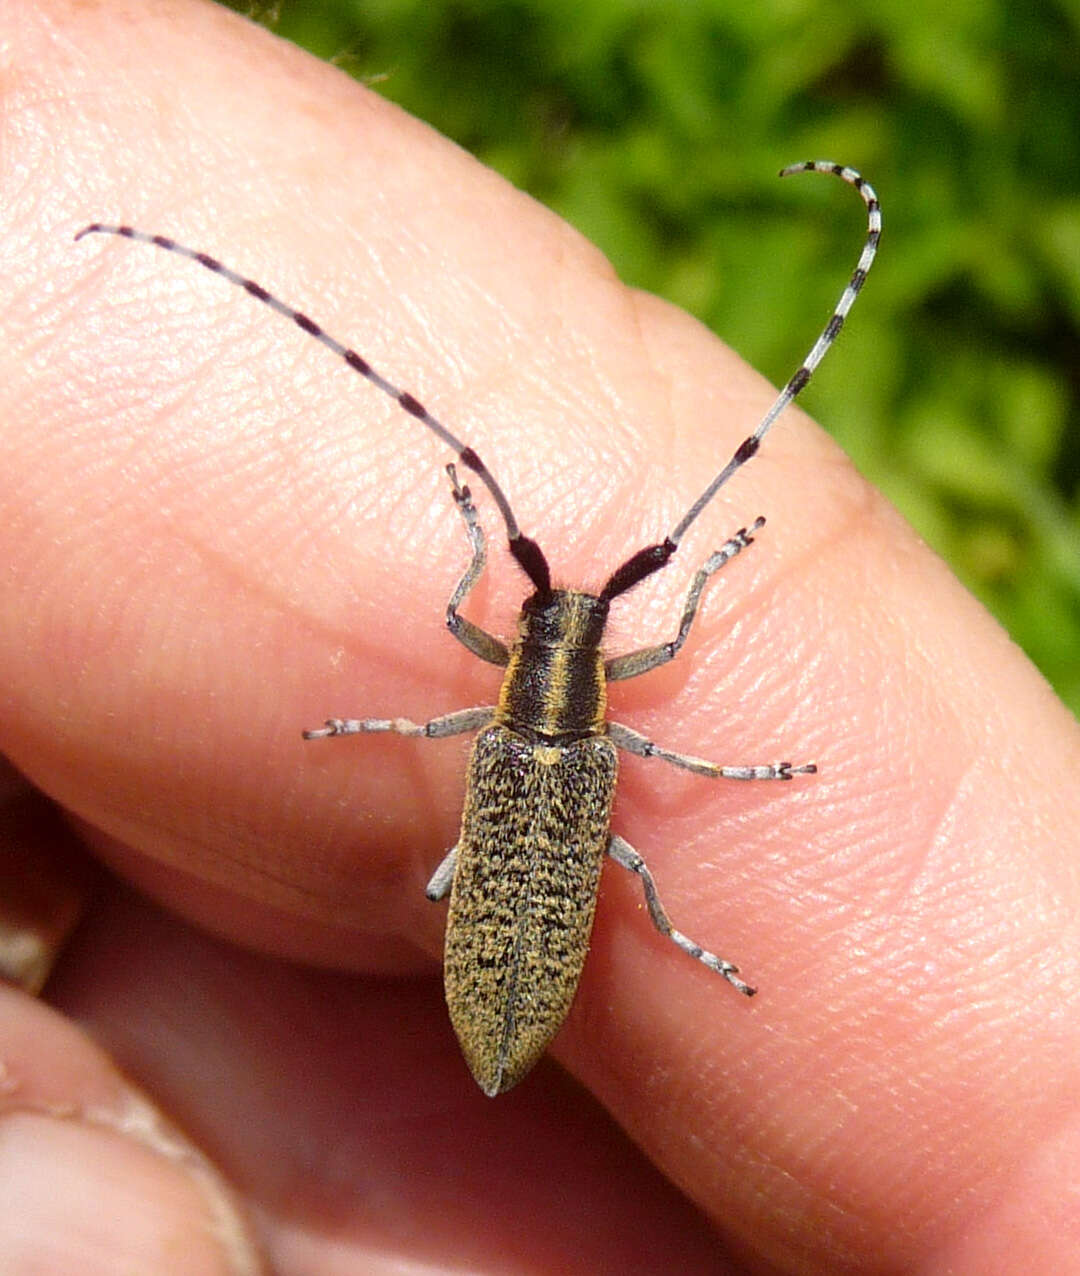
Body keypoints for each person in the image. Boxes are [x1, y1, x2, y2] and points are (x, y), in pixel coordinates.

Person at [2, 3, 1078, 1271]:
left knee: (586, 874)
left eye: (536, 608)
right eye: (533, 606)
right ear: (554, 656)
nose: (543, 609)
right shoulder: (584, 726)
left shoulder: (520, 712)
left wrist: (488, 558)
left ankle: (681, 940)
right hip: (508, 941)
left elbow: (478, 623)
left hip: (510, 942)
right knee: (607, 864)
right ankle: (679, 944)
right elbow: (516, 633)